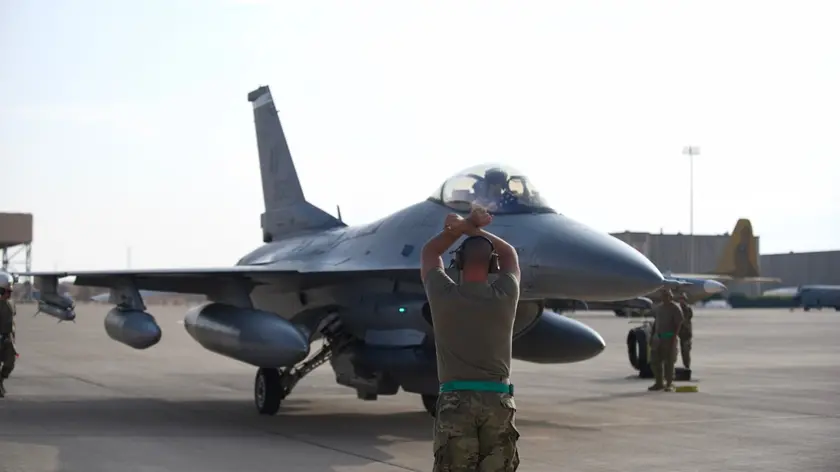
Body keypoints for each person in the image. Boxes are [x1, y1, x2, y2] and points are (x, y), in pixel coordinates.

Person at [421, 206, 521, 472]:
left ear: (459, 263)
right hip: (498, 400)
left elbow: (430, 253)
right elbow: (509, 254)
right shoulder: (506, 294)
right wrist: (473, 230)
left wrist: (459, 228)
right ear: (492, 265)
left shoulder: (443, 295)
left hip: (455, 401)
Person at [648, 289, 683, 392]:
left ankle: (669, 383)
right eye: (663, 296)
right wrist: (652, 336)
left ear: (671, 297)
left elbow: (678, 324)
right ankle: (659, 383)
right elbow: (656, 322)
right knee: (655, 361)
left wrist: (674, 338)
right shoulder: (659, 308)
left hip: (669, 337)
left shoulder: (675, 308)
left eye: (667, 296)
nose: (665, 298)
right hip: (658, 338)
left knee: (669, 362)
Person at [0, 279, 17, 398]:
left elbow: (12, 320)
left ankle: (0, 379)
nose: (10, 294)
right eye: (7, 292)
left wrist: (13, 336)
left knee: (10, 363)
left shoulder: (11, 304)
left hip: (8, 338)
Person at [677, 292, 693, 370]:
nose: (681, 301)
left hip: (686, 334)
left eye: (682, 299)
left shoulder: (688, 309)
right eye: (680, 299)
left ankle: (687, 366)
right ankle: (685, 365)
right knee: (682, 351)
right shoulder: (678, 308)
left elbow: (686, 319)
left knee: (686, 351)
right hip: (680, 333)